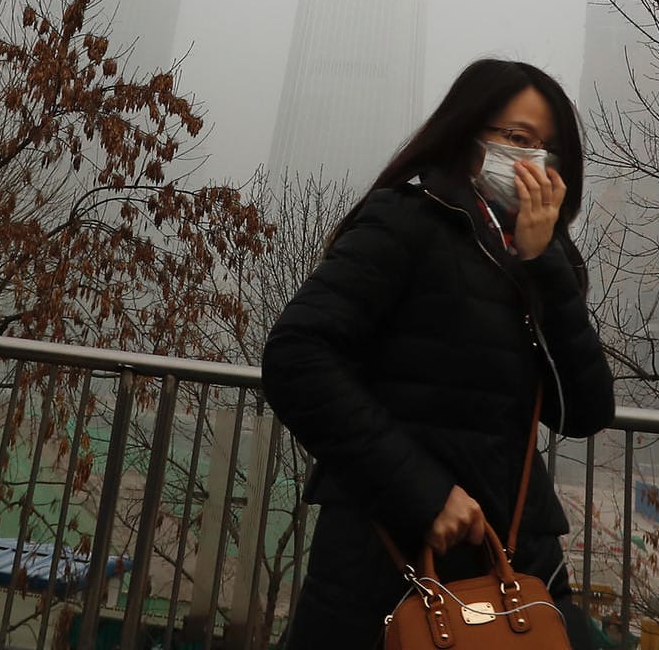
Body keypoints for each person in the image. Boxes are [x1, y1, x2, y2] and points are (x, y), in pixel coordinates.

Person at [263, 59, 616, 648]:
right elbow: (297, 355)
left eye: (549, 148)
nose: (534, 160)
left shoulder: (535, 259)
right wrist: (423, 493)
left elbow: (584, 410)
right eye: (518, 139)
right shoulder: (408, 220)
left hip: (513, 561)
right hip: (389, 560)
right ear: (469, 135)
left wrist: (545, 262)